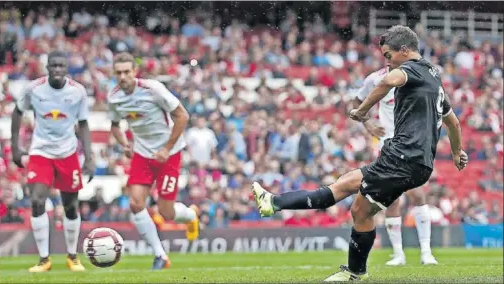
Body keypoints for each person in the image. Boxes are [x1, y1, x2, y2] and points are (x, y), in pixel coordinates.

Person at [251, 25, 468, 281]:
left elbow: (388, 81)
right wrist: (456, 153)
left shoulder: (410, 70)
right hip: (410, 160)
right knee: (344, 186)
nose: (387, 62)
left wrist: (363, 111)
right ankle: (273, 203)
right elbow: (453, 122)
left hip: (403, 158)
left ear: (405, 50)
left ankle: (355, 272)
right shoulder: (433, 77)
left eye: (388, 56)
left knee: (359, 211)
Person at [107, 52, 199, 270]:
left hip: (169, 154)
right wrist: (124, 144)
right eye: (118, 73)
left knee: (165, 212)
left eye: (126, 72)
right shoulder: (114, 97)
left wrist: (167, 148)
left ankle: (191, 215)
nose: (123, 77)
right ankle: (160, 256)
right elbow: (114, 125)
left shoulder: (153, 89)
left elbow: (182, 116)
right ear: (114, 73)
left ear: (134, 72)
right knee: (136, 203)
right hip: (142, 154)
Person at [11, 50, 95, 273]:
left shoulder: (78, 92)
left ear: (66, 69)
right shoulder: (34, 89)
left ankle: (72, 257)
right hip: (40, 152)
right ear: (47, 68)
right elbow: (17, 112)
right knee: (37, 200)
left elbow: (84, 124)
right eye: (53, 66)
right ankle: (44, 259)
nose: (57, 69)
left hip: (67, 153)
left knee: (70, 206)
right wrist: (16, 147)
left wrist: (89, 155)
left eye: (61, 66)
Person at [353, 65, 437, 266]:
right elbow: (357, 101)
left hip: (410, 145)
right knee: (392, 200)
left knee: (417, 194)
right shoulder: (376, 78)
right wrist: (368, 124)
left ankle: (426, 252)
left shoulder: (417, 75)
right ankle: (399, 254)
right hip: (387, 145)